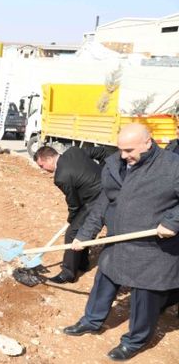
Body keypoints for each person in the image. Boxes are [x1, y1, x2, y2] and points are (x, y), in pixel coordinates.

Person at [64, 124, 179, 361]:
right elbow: (103, 203)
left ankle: (134, 341)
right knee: (103, 282)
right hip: (117, 240)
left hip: (151, 247)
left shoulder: (172, 166)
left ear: (148, 143)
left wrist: (173, 222)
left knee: (144, 298)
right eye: (121, 149)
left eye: (129, 150)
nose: (123, 156)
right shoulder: (115, 164)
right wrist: (84, 236)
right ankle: (91, 321)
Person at [33, 145, 103, 283]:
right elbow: (100, 151)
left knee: (72, 233)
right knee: (81, 228)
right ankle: (82, 263)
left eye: (42, 166)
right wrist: (104, 170)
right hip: (103, 190)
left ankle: (68, 273)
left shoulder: (61, 177)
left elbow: (74, 204)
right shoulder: (74, 151)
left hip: (96, 200)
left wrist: (71, 220)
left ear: (48, 159)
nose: (43, 170)